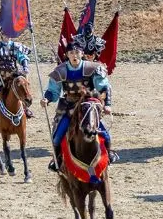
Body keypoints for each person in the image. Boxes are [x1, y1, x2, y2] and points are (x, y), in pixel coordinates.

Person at [43, 35, 116, 173]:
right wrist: (46, 99)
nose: (74, 55)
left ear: (82, 54)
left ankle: (109, 154)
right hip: (68, 107)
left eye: (77, 52)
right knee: (57, 137)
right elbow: (53, 91)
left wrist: (107, 104)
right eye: (71, 53)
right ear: (67, 55)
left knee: (105, 134)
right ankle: (57, 160)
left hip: (88, 106)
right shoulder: (60, 70)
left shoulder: (93, 68)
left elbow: (104, 87)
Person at [0, 29, 34, 125]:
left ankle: (26, 109)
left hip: (13, 76)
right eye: (5, 33)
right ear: (1, 34)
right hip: (0, 76)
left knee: (22, 91)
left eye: (9, 33)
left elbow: (22, 57)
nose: (7, 35)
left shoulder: (15, 46)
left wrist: (25, 65)